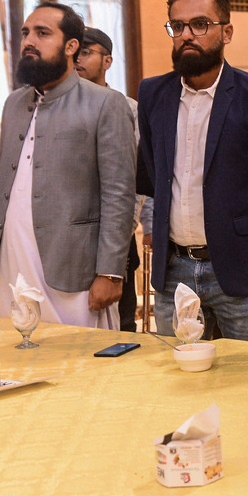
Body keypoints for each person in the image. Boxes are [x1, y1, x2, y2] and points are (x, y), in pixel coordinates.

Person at [138, 0, 248, 343]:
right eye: (178, 26)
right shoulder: (153, 94)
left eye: (200, 24)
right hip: (173, 273)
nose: (187, 35)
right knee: (176, 376)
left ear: (226, 32)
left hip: (242, 272)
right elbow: (153, 174)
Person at [0, 1, 136, 329]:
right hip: (12, 259)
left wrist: (110, 272)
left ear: (70, 46)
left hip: (74, 266)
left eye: (42, 33)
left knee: (79, 357)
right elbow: (3, 187)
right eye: (26, 33)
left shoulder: (105, 103)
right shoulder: (14, 103)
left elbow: (119, 195)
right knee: (16, 350)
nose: (28, 41)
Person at [74, 26, 151, 332]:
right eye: (74, 51)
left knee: (121, 323)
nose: (77, 59)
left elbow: (137, 179)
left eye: (86, 52)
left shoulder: (129, 109)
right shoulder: (60, 107)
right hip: (71, 236)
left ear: (107, 61)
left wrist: (127, 230)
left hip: (115, 233)